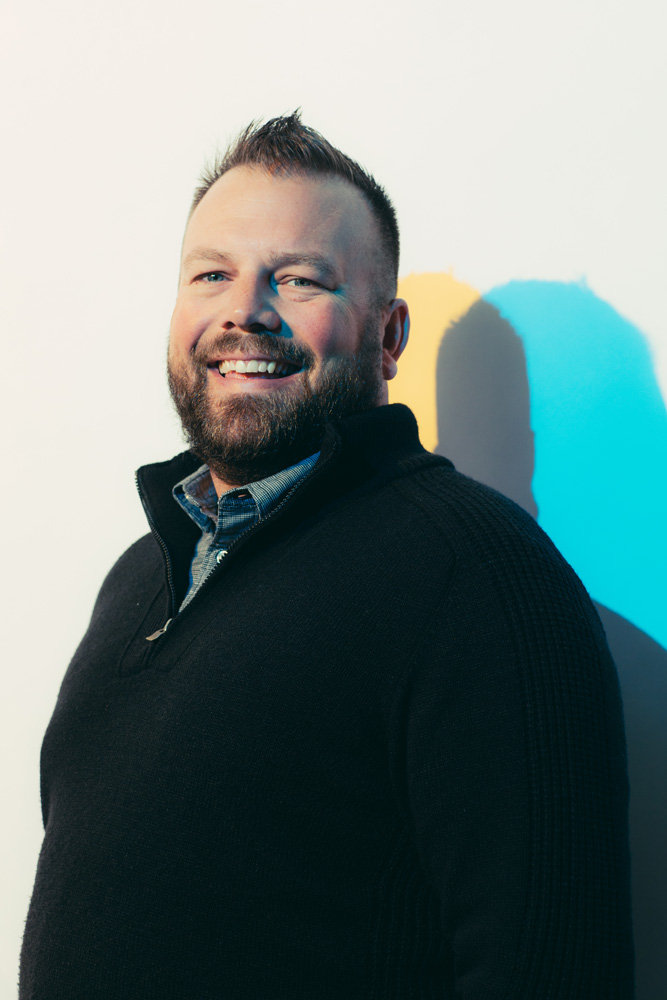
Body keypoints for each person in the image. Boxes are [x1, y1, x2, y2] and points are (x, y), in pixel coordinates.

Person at [20, 113, 634, 998]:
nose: (243, 310)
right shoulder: (140, 576)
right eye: (212, 274)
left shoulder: (479, 576)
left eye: (299, 279)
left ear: (388, 336)